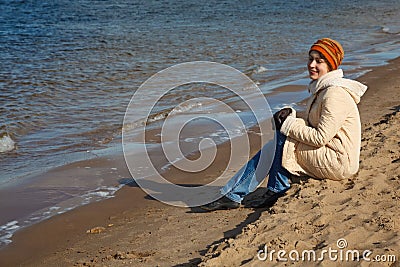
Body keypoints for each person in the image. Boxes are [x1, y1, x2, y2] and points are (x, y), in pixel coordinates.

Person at [201, 38, 368, 211]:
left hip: (338, 162)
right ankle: (260, 190)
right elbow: (314, 121)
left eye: (319, 61)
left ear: (331, 66)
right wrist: (291, 115)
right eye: (310, 59)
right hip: (332, 154)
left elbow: (320, 137)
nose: (312, 65)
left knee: (281, 137)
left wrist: (287, 124)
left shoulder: (334, 94)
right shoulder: (323, 89)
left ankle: (246, 193)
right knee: (282, 136)